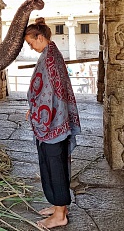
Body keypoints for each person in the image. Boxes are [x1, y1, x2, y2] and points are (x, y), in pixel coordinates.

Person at [24, 17, 81, 230]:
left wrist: (36, 111)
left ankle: (59, 215)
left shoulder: (49, 59)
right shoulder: (52, 53)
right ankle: (60, 206)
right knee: (57, 164)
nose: (31, 48)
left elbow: (48, 94)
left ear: (40, 37)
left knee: (54, 165)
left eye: (31, 43)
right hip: (59, 120)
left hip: (52, 123)